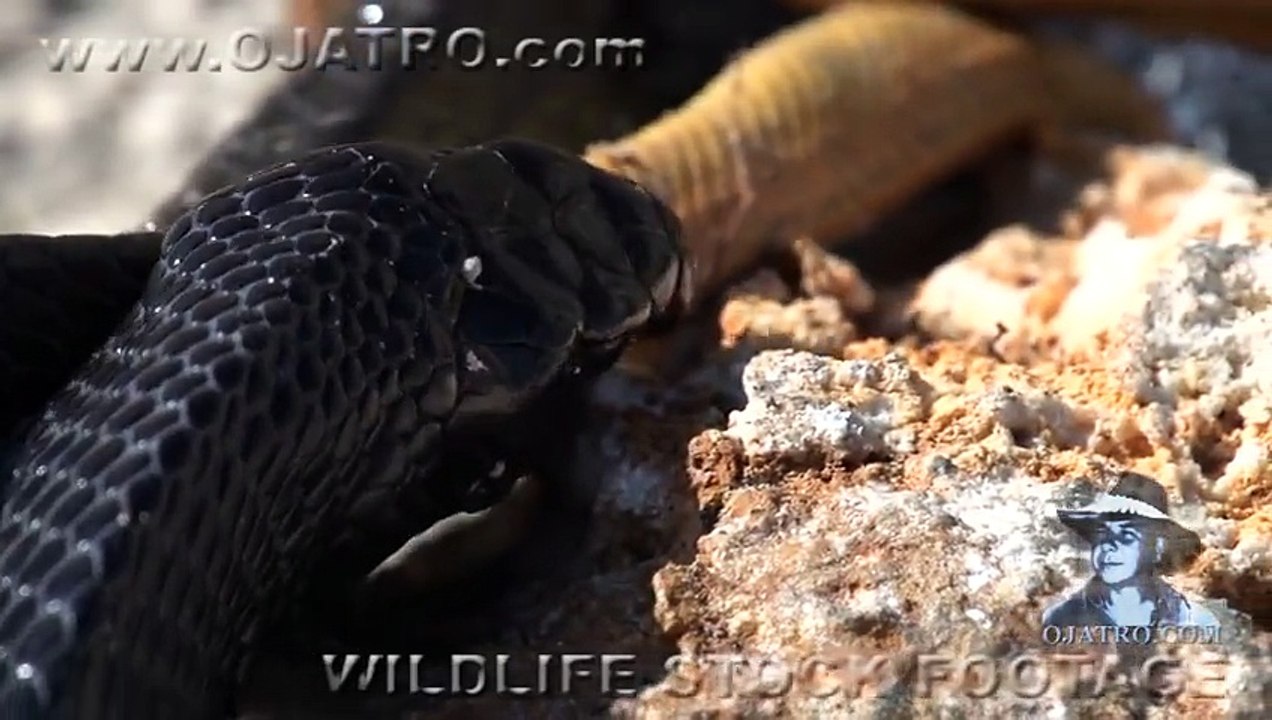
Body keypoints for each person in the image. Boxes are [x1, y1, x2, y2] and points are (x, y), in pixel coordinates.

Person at [1042, 472, 1220, 634]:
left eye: (1126, 536)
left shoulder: (1192, 622)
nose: (1109, 546)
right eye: (1102, 534)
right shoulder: (1062, 620)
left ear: (1158, 547)